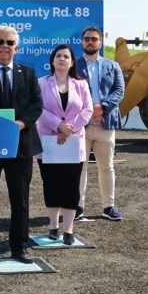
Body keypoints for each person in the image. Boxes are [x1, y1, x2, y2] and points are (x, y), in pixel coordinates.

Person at [0, 25, 43, 262]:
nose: (4, 46)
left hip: (20, 144)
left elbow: (37, 104)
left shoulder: (28, 72)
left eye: (9, 42)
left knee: (21, 199)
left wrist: (21, 123)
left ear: (17, 47)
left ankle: (19, 247)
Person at [35, 44, 94, 246]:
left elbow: (87, 110)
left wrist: (70, 129)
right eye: (58, 56)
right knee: (51, 184)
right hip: (49, 141)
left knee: (70, 186)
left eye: (66, 56)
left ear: (71, 62)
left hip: (73, 141)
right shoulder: (41, 83)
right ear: (52, 61)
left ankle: (68, 229)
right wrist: (58, 125)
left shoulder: (81, 84)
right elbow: (38, 109)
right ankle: (53, 226)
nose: (62, 59)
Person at [75, 26, 125, 221]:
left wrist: (102, 108)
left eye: (94, 39)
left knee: (107, 167)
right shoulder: (74, 66)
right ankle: (78, 207)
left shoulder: (113, 66)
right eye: (87, 38)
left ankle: (108, 207)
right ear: (82, 42)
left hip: (105, 122)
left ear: (100, 43)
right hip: (81, 125)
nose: (90, 42)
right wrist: (88, 111)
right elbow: (68, 91)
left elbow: (119, 91)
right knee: (81, 167)